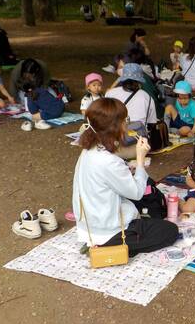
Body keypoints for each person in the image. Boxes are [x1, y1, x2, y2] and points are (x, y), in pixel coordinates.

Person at [72, 98, 178, 256]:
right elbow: (137, 192)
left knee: (145, 186)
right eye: (125, 120)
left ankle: (103, 243)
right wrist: (141, 160)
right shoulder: (108, 162)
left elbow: (118, 153)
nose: (127, 124)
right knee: (169, 230)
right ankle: (109, 247)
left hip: (90, 223)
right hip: (108, 230)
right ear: (114, 126)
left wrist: (138, 151)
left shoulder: (90, 148)